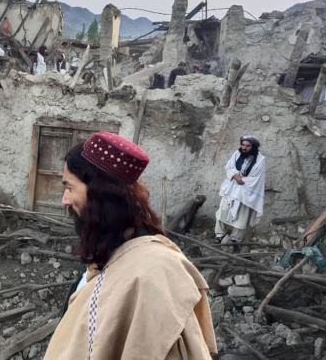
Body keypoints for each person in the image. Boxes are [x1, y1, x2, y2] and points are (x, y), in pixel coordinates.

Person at [43, 132, 217, 360]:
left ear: (99, 194)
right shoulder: (111, 252)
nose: (64, 200)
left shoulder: (154, 274)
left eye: (69, 187)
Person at [215, 135, 266, 244]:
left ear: (253, 147)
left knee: (242, 217)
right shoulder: (237, 153)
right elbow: (229, 166)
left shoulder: (260, 160)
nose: (244, 148)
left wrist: (242, 180)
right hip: (231, 188)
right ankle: (219, 234)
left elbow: (256, 178)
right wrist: (235, 175)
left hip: (246, 192)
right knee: (223, 211)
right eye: (243, 145)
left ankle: (235, 239)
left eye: (248, 146)